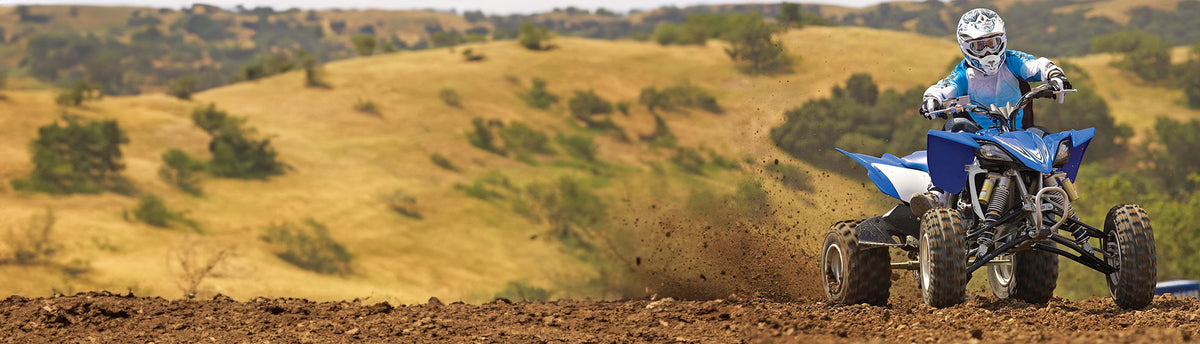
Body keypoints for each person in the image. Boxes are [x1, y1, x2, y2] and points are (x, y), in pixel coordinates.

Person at [910, 8, 1072, 217]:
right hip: (978, 140)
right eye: (979, 46)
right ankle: (938, 193)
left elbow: (1036, 65)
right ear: (966, 48)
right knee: (953, 128)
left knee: (1047, 139)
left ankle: (1053, 195)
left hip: (1019, 136)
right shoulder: (963, 73)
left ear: (1002, 40)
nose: (988, 52)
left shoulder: (1013, 61)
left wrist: (1054, 74)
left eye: (992, 43)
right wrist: (932, 99)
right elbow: (944, 86)